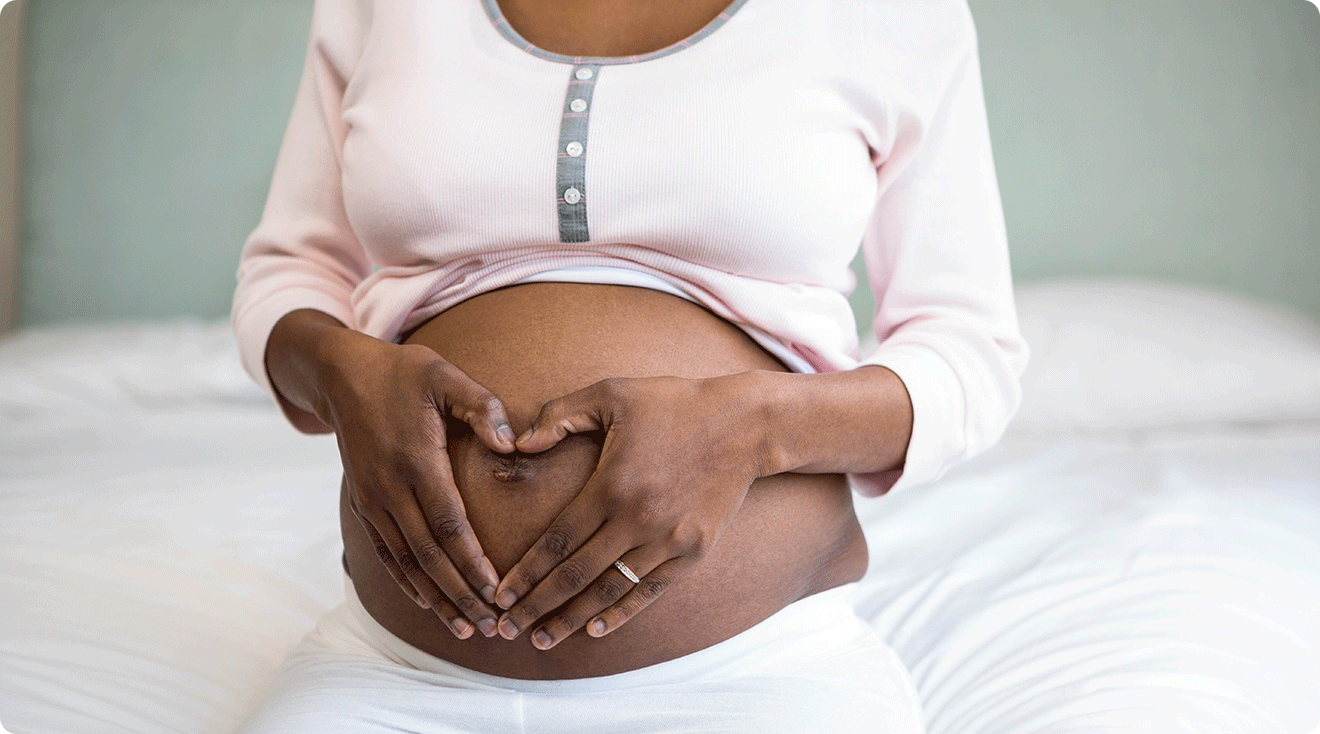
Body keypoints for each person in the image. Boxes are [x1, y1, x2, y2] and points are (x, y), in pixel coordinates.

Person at [229, 0, 1027, 731]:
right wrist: (342, 373)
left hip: (759, 672)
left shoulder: (891, 15)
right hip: (394, 673)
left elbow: (969, 349)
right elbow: (290, 273)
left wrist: (753, 429)